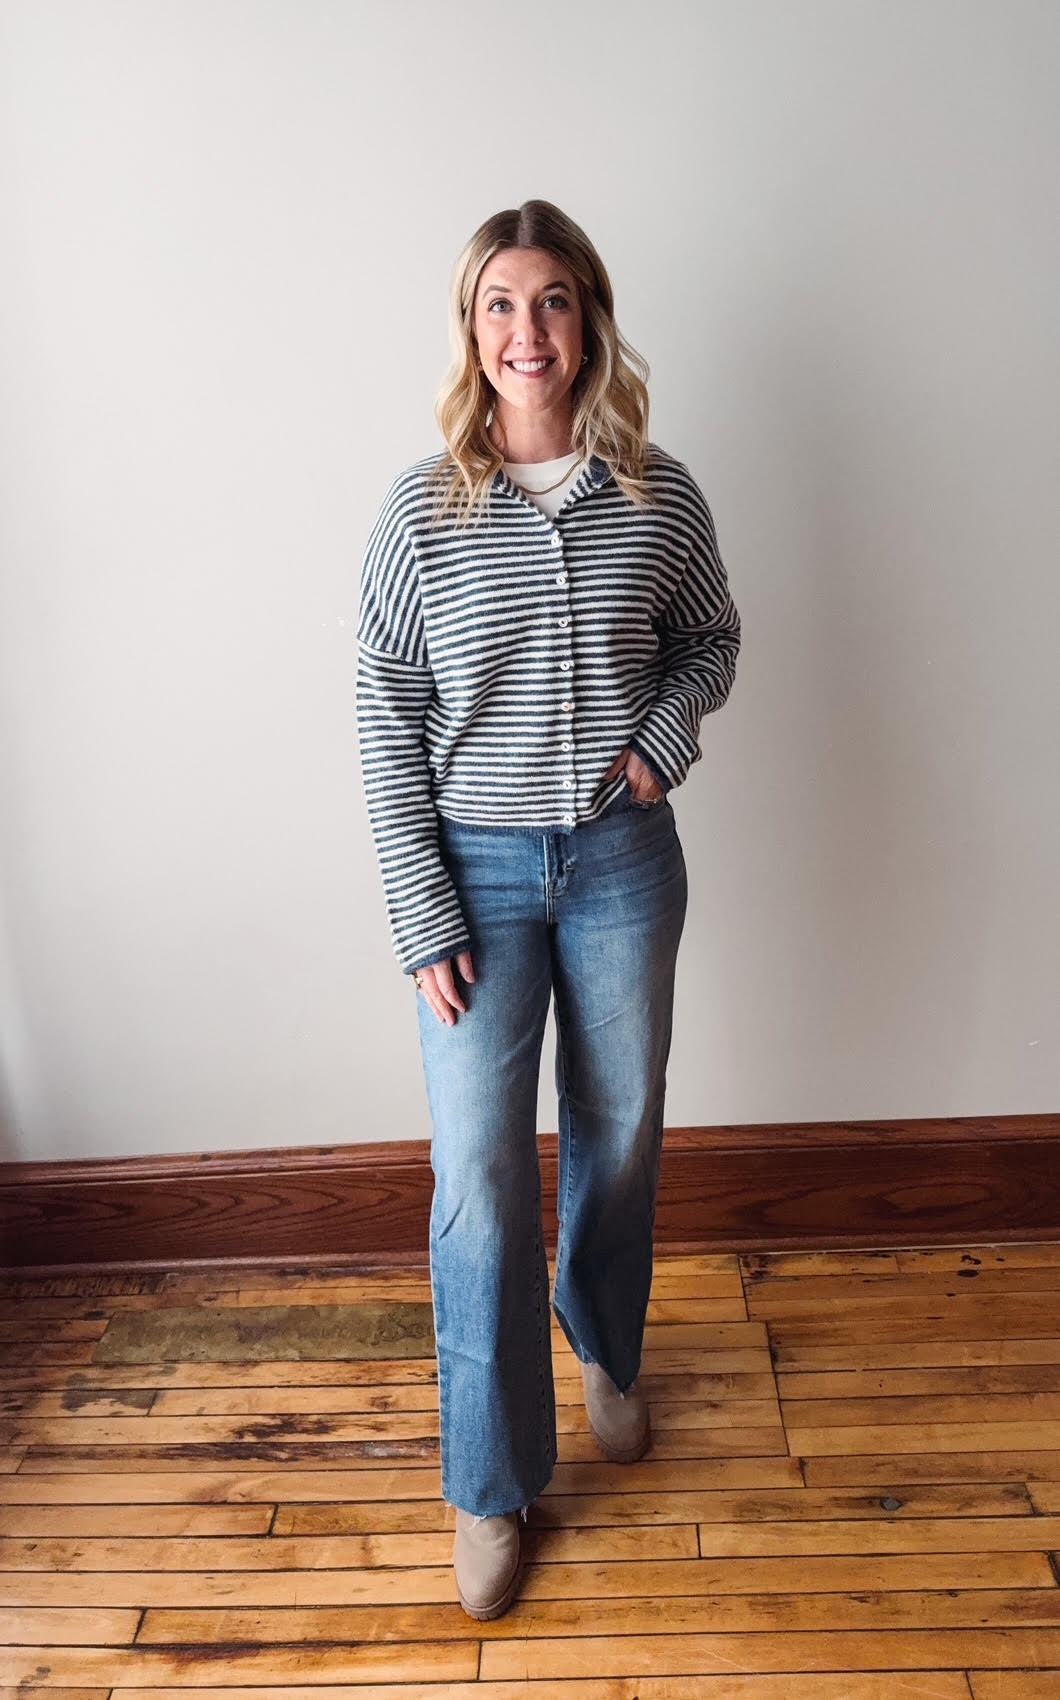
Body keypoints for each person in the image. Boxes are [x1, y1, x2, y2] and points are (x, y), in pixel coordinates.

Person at [356, 198, 740, 1620]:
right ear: (473, 328)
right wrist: (421, 911)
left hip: (624, 865)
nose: (531, 330)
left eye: (557, 300)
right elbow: (384, 711)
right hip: (475, 878)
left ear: (592, 322)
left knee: (621, 1129)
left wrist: (659, 744)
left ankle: (607, 1346)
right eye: (503, 304)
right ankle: (491, 1482)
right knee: (477, 1179)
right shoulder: (422, 510)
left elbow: (712, 635)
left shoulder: (660, 493)